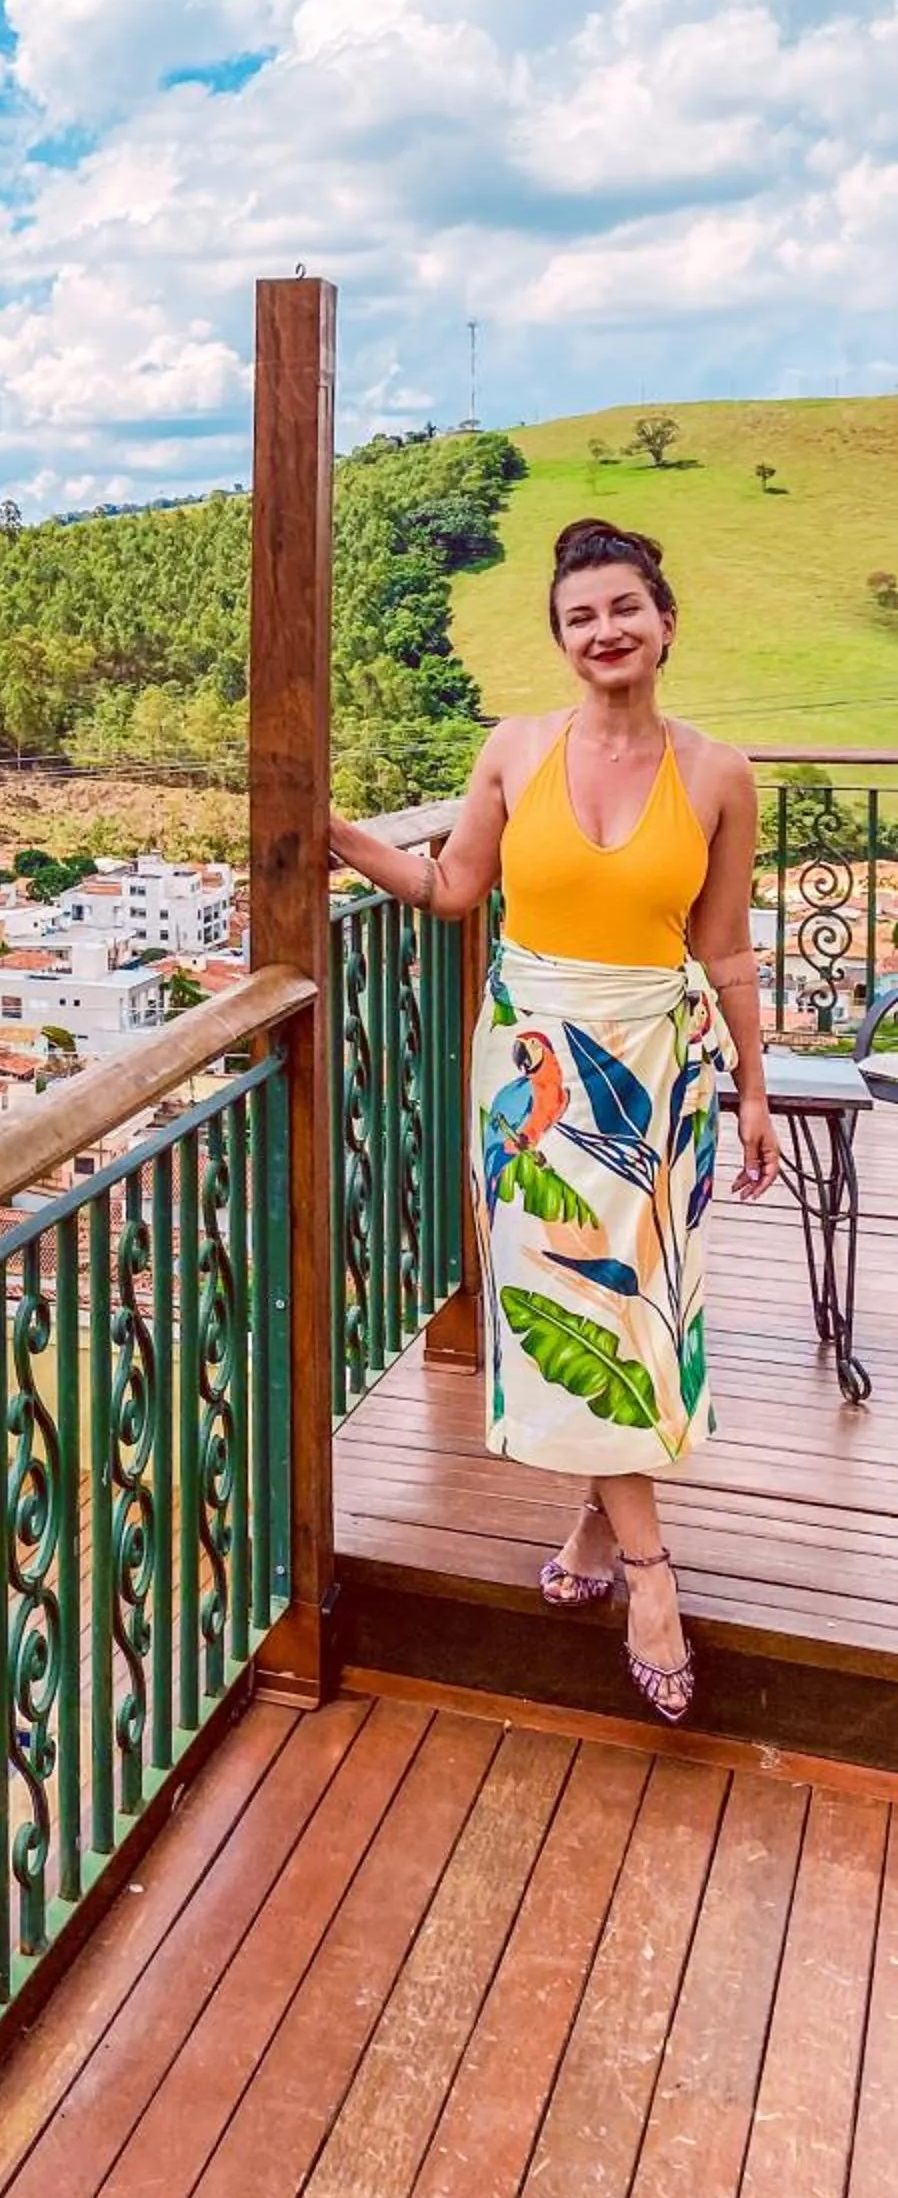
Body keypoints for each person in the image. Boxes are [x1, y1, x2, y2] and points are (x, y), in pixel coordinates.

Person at [329, 518, 778, 1722]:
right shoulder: (515, 751)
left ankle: (592, 1526)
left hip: (655, 1075)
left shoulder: (720, 772)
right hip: (531, 1078)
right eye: (581, 617)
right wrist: (328, 833)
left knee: (636, 1310)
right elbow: (450, 888)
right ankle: (650, 1571)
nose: (605, 631)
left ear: (666, 622)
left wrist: (753, 1087)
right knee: (560, 1303)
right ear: (561, 640)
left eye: (624, 608)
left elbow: (726, 948)